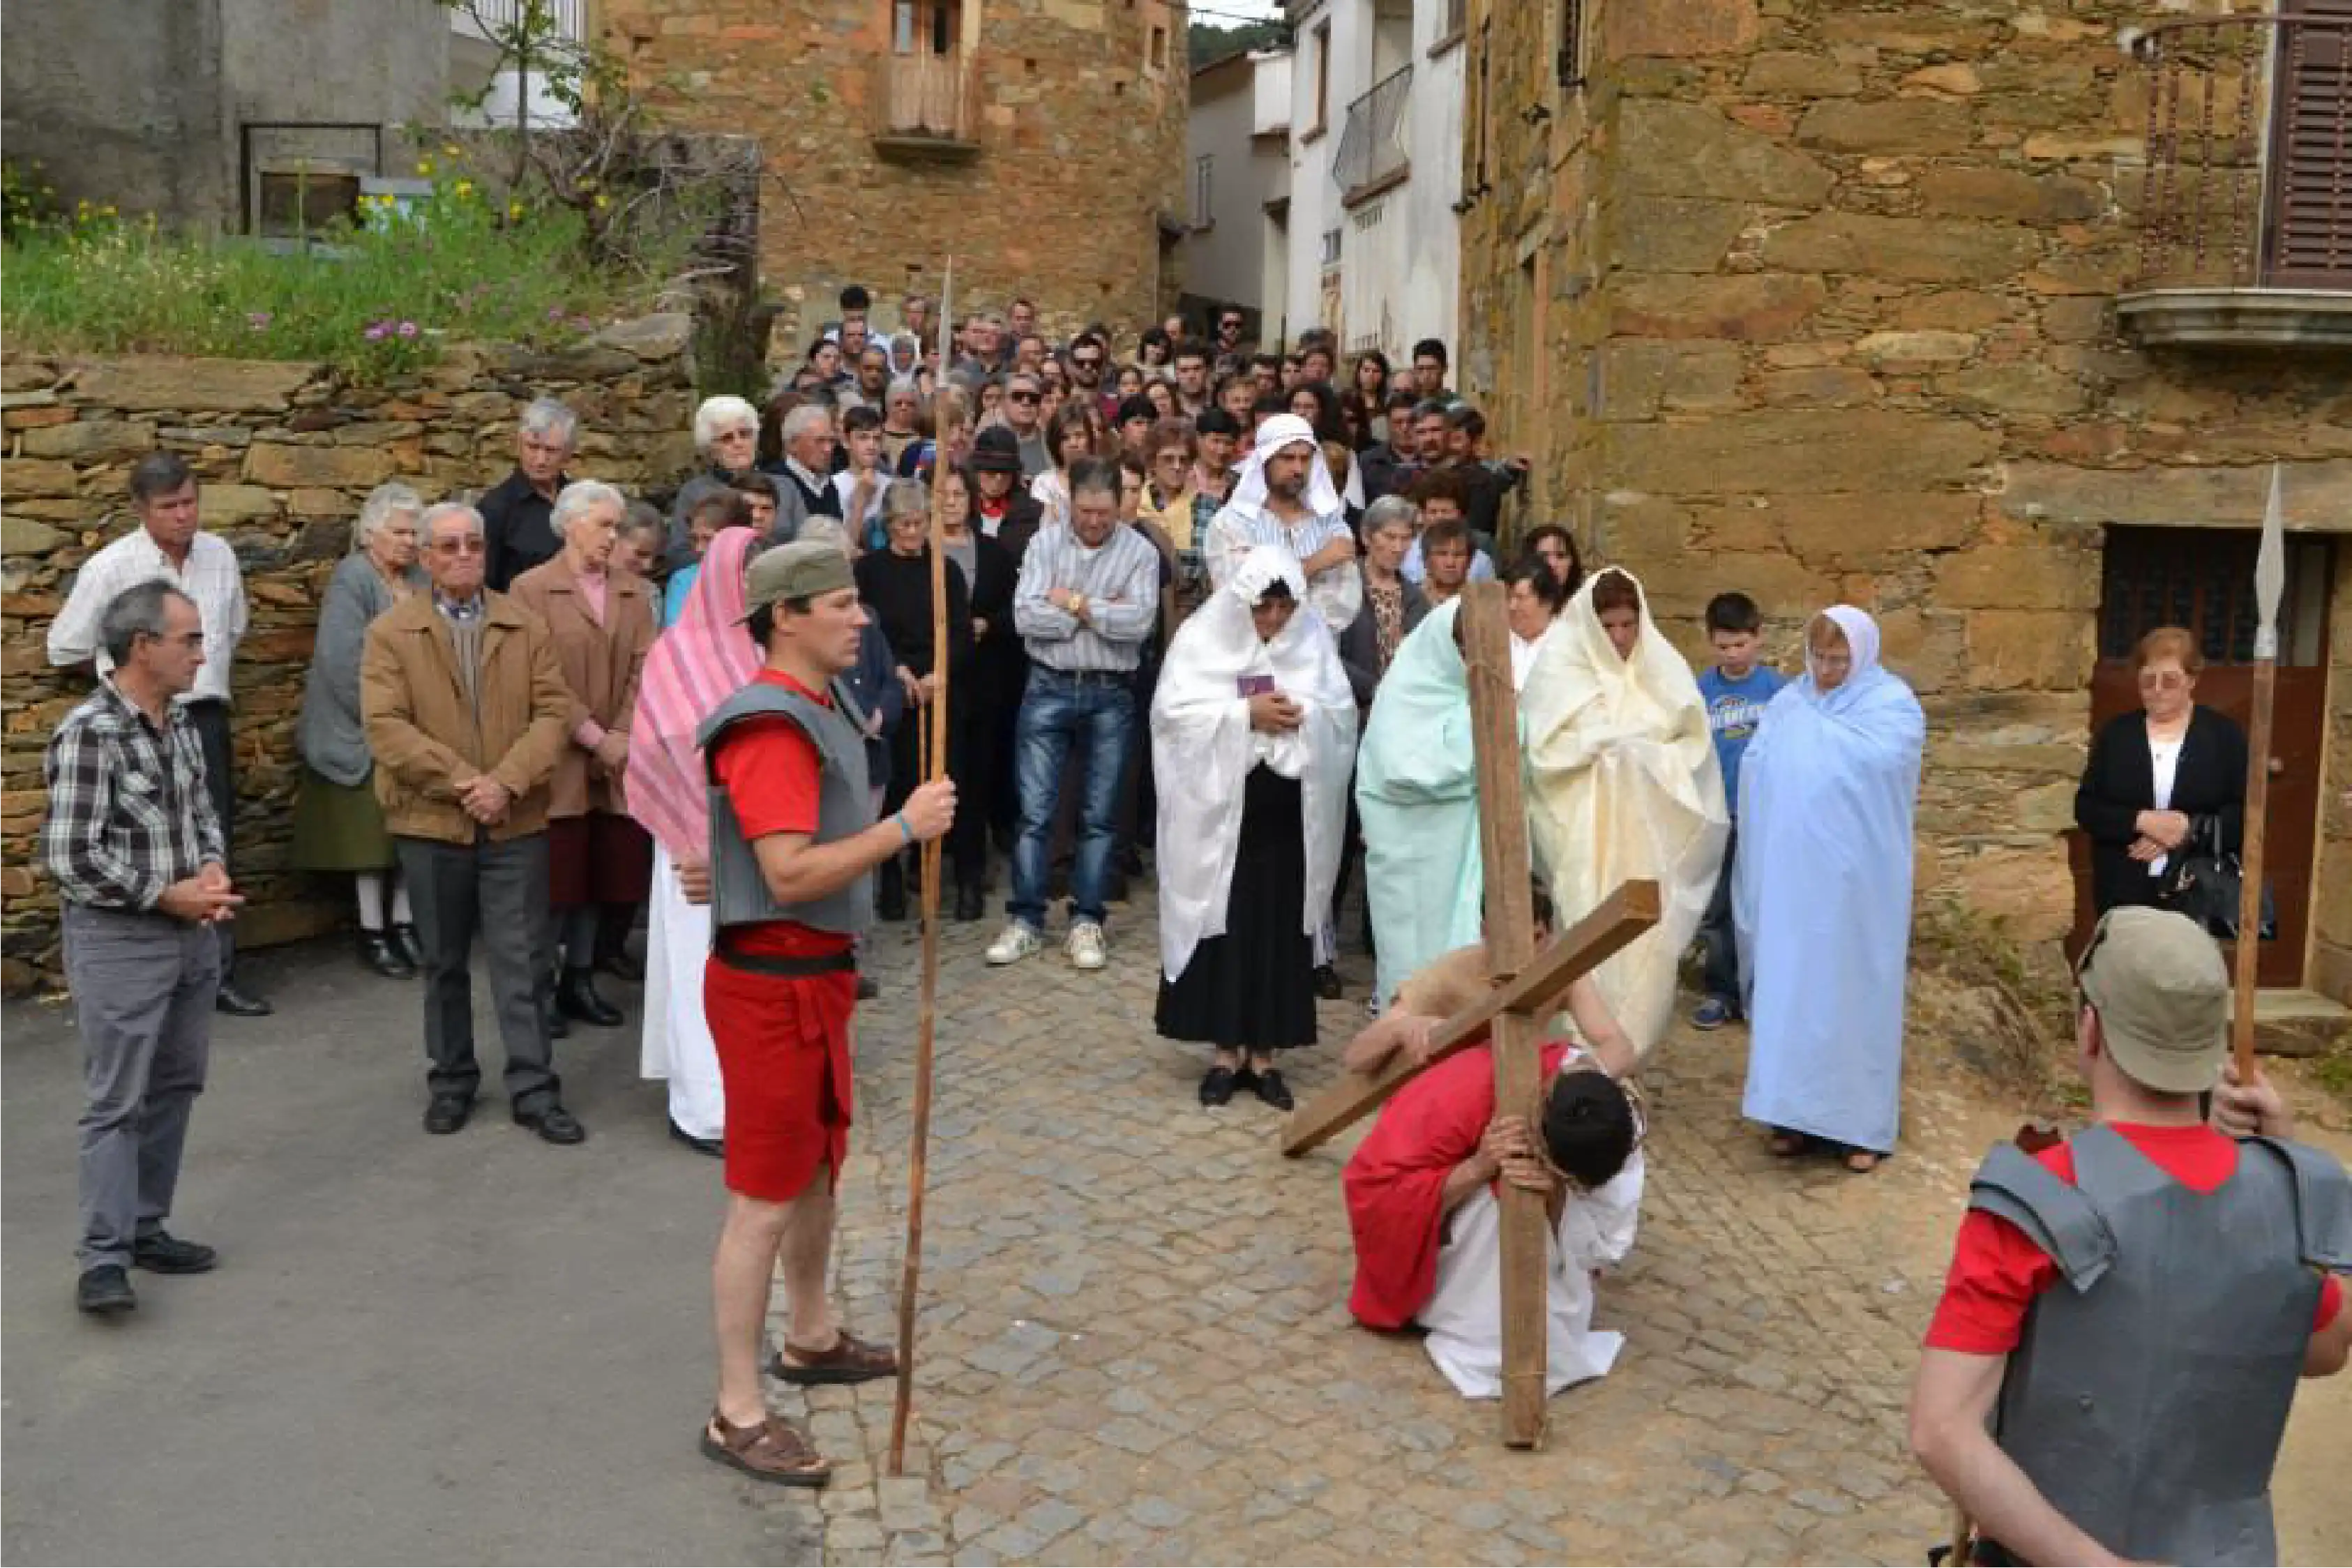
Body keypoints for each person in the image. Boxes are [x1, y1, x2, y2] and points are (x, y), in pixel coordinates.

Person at [1910, 905, 2352, 1567]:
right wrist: (2286, 1160)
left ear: (2090, 1029)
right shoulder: (2289, 1197)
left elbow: (1941, 1431)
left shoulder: (2034, 1200)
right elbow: (2324, 1348)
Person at [693, 541, 957, 1487]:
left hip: (813, 977)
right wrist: (904, 829)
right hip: (770, 989)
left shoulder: (823, 703)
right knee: (762, 1200)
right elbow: (790, 870)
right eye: (842, 604)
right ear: (786, 617)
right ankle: (736, 1411)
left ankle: (808, 1338)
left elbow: (763, 847)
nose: (862, 618)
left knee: (814, 1172)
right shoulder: (771, 724)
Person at [43, 581, 243, 1315]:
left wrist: (213, 867)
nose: (203, 650)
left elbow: (203, 814)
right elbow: (69, 857)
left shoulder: (181, 722)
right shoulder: (91, 732)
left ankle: (145, 1225)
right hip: (123, 938)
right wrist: (165, 893)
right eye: (188, 639)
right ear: (141, 647)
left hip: (192, 934)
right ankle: (102, 1259)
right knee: (116, 1100)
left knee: (175, 1085)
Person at [1342, 927, 1645, 1400]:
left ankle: (1544, 1310)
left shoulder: (1613, 1119)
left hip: (1545, 1105)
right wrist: (1479, 1168)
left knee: (1535, 1198)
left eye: (1540, 935)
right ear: (1488, 932)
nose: (1529, 944)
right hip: (1459, 1114)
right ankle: (1482, 1321)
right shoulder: (1452, 991)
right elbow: (1375, 1187)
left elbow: (1607, 1233)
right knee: (1503, 1197)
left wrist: (1559, 1195)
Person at [362, 502, 582, 1145]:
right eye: (448, 547)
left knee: (523, 959)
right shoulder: (391, 633)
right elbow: (386, 727)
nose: (462, 557)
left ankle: (535, 1088)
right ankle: (452, 1079)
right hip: (432, 823)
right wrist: (466, 784)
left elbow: (552, 714)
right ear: (426, 557)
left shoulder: (524, 625)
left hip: (516, 821)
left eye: (473, 545)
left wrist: (506, 783)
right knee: (444, 960)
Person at [48, 453, 270, 1018]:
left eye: (190, 502)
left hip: (204, 715)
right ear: (141, 510)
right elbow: (64, 646)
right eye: (169, 507)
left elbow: (233, 626)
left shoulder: (219, 556)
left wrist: (194, 672)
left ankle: (216, 972)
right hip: (137, 717)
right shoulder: (111, 568)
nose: (183, 516)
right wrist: (130, 682)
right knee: (144, 842)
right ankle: (154, 971)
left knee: (212, 836)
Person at [1153, 552, 1358, 1110]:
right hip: (1220, 817)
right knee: (1225, 923)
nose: (1271, 619)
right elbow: (1173, 714)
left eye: (1282, 607)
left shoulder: (1311, 640)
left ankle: (1265, 1053)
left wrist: (1299, 713)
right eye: (1262, 607)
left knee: (1276, 926)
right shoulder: (1203, 637)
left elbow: (1339, 712)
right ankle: (1224, 1051)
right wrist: (1244, 715)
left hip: (1286, 815)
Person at [1736, 607, 1924, 1172]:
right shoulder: (1791, 703)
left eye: (1839, 659)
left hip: (1857, 887)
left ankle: (1857, 1128)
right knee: (1792, 993)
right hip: (1794, 880)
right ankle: (1789, 1115)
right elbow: (1759, 766)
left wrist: (1822, 746)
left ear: (1862, 655)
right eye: (1819, 658)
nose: (1826, 670)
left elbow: (1887, 765)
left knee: (1851, 996)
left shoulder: (1890, 706)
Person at [1522, 569, 1728, 1059]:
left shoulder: (1662, 666)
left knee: (1644, 948)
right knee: (1584, 937)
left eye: (1627, 625)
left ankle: (1626, 1055)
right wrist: (1603, 745)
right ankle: (1576, 1056)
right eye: (1608, 626)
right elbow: (1543, 753)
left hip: (1646, 839)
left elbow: (1693, 745)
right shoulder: (1559, 666)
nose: (1618, 638)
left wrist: (1645, 756)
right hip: (1581, 838)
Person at [986, 458, 1162, 972]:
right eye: (1085, 511)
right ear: (1070, 503)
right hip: (1049, 683)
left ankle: (1087, 919)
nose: (1093, 522)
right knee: (1035, 812)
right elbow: (1025, 616)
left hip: (1112, 690)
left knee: (1101, 815)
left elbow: (1140, 624)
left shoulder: (1139, 552)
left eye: (1103, 513)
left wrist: (1075, 604)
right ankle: (1026, 919)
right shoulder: (1044, 544)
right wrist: (1101, 612)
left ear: (1118, 506)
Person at [628, 528, 762, 1156]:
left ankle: (749, 1096)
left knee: (746, 970)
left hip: (749, 834)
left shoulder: (759, 651)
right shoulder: (673, 651)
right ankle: (703, 1107)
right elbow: (656, 738)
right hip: (689, 838)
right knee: (694, 971)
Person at [510, 480, 658, 1025]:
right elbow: (539, 675)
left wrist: (621, 735)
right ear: (570, 524)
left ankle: (582, 980)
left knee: (604, 877)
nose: (612, 537)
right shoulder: (530, 590)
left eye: (616, 527)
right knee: (557, 883)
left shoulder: (634, 592)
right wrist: (595, 738)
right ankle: (541, 987)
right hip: (561, 758)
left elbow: (647, 667)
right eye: (604, 525)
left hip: (617, 761)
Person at [293, 482, 428, 979]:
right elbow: (341, 659)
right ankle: (373, 930)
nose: (410, 542)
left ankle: (406, 921)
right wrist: (385, 720)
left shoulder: (420, 579)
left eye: (416, 532)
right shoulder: (353, 578)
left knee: (412, 829)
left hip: (413, 724)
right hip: (358, 728)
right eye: (400, 532)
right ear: (372, 533)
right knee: (371, 839)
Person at [854, 481, 981, 921]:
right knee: (897, 787)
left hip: (945, 688)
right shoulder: (869, 571)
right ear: (889, 525)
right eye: (904, 525)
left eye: (919, 524)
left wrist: (939, 674)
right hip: (897, 690)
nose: (913, 533)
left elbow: (961, 631)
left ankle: (967, 879)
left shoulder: (944, 570)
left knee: (953, 782)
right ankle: (892, 880)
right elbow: (870, 632)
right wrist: (898, 671)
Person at [2074, 624, 2249, 920]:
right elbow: (2087, 808)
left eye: (2169, 681)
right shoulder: (2117, 734)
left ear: (2191, 680)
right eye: (2147, 681)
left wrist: (2184, 830)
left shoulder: (2223, 735)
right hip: (2124, 886)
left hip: (2199, 888)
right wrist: (2143, 821)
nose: (2157, 690)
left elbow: (2245, 815)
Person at [1355, 601, 1482, 1005]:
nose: (1467, 660)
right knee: (1412, 963)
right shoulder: (1406, 691)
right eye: (1460, 649)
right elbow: (1403, 769)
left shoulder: (1481, 695)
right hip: (1409, 856)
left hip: (1463, 855)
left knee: (1465, 955)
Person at [1691, 591, 1786, 1032]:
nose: (1732, 655)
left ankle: (1765, 989)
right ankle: (1721, 990)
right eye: (1723, 646)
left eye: (1741, 645)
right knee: (1719, 906)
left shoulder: (1778, 693)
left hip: (1764, 815)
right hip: (1719, 813)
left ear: (1758, 638)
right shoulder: (1701, 692)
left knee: (1766, 902)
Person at [1204, 413, 1362, 631]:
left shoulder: (1332, 524)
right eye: (1288, 458)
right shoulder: (1231, 523)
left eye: (1305, 459)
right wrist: (1315, 563)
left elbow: (1343, 603)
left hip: (1315, 653)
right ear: (1265, 461)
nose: (1298, 469)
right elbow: (1239, 594)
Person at [479, 398, 580, 592]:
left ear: (567, 454)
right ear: (519, 446)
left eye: (551, 450)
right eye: (533, 447)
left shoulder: (580, 500)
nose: (540, 460)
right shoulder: (495, 508)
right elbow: (487, 585)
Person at [762, 403, 843, 540]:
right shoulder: (775, 483)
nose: (828, 449)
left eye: (832, 441)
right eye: (820, 441)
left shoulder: (828, 484)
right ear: (792, 444)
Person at [1027, 400, 1106, 538]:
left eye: (1079, 436)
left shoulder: (1106, 479)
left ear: (1090, 438)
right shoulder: (1044, 483)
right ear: (1056, 443)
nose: (1073, 444)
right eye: (1065, 438)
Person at [1503, 555, 1568, 691]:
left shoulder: (1568, 644)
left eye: (1521, 598)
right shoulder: (1496, 640)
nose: (1512, 606)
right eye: (1508, 597)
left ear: (1547, 602)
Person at [829, 405, 891, 545]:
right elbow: (842, 548)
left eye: (877, 438)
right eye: (863, 438)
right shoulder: (833, 486)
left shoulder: (891, 485)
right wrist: (860, 502)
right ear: (845, 441)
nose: (872, 445)